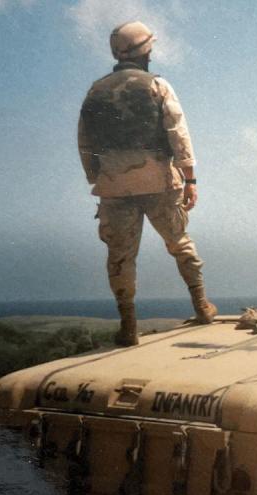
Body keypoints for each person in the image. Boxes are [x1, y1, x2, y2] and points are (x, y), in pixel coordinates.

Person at [77, 21, 217, 346]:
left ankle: (128, 326)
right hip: (158, 180)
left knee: (120, 256)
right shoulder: (157, 85)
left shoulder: (95, 91)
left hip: (112, 185)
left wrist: (96, 178)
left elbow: (85, 142)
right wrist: (190, 178)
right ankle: (202, 306)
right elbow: (178, 133)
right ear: (144, 51)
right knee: (179, 241)